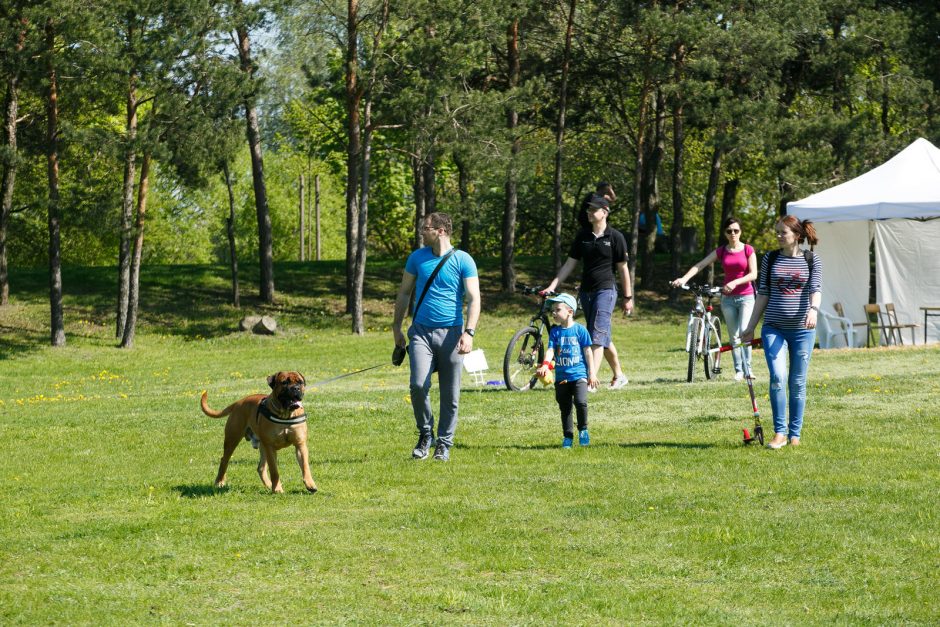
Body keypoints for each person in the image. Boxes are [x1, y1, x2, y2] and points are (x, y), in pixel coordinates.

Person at [392, 212, 481, 462]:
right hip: (420, 332)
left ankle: (444, 443)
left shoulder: (464, 260)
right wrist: (396, 327)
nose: (422, 232)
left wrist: (469, 332)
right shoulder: (416, 258)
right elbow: (404, 294)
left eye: (426, 228)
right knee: (418, 385)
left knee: (450, 394)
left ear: (441, 231)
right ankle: (425, 433)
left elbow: (474, 298)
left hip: (453, 333)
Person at [742, 215, 822, 449]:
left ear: (797, 235)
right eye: (776, 231)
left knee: (797, 382)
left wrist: (814, 310)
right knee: (778, 378)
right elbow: (763, 293)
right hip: (774, 328)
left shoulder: (812, 260)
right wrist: (750, 326)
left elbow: (816, 289)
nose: (778, 236)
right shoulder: (770, 258)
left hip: (802, 331)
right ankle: (780, 433)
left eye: (782, 232)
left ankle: (795, 434)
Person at [544, 193, 633, 390]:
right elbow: (569, 264)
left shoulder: (616, 237)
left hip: (606, 290)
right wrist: (552, 286)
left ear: (605, 212)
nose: (589, 212)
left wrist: (628, 297)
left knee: (595, 336)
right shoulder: (582, 236)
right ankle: (619, 375)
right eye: (588, 209)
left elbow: (623, 269)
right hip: (586, 291)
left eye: (593, 209)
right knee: (602, 335)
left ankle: (589, 382)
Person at [670, 217, 758, 381]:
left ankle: (748, 369)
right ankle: (739, 370)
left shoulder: (748, 250)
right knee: (733, 336)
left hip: (746, 296)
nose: (733, 234)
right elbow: (700, 265)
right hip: (728, 299)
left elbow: (753, 274)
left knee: (745, 332)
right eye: (729, 231)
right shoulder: (722, 251)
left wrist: (735, 282)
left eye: (736, 230)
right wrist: (684, 278)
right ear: (725, 233)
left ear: (741, 232)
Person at [535, 293, 599, 448]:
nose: (554, 313)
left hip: (579, 375)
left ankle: (583, 429)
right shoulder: (556, 332)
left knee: (581, 402)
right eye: (552, 310)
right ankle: (568, 437)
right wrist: (545, 364)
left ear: (570, 312)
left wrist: (592, 373)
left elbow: (588, 351)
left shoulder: (580, 330)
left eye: (557, 309)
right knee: (565, 408)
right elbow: (551, 350)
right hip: (562, 377)